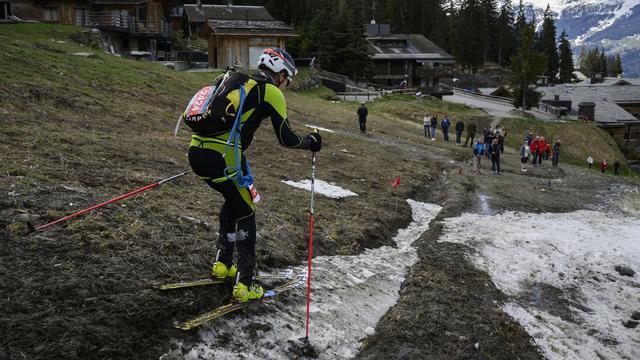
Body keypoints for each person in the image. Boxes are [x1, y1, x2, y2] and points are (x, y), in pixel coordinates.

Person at [187, 48, 322, 302]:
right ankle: (245, 284)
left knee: (233, 202)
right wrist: (311, 142)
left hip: (196, 151)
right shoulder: (270, 91)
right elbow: (287, 139)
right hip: (223, 157)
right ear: (281, 74)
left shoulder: (238, 81)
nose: (286, 86)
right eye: (288, 80)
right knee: (247, 211)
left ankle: (223, 263)